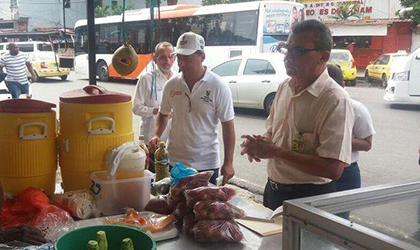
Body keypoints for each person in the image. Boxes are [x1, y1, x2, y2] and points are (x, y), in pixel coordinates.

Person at [240, 20, 354, 210]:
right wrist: (259, 144)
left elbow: (333, 169)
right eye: (287, 50)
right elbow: (272, 133)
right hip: (274, 190)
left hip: (310, 198)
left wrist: (275, 151)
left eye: (298, 51)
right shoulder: (285, 86)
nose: (288, 58)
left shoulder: (334, 100)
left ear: (322, 57)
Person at [149, 32, 236, 185]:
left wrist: (228, 162)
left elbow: (228, 124)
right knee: (175, 204)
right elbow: (163, 114)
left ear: (202, 56)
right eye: (180, 57)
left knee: (203, 207)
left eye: (187, 58)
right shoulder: (171, 85)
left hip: (206, 163)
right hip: (175, 161)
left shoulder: (218, 86)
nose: (181, 63)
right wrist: (156, 134)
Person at [327, 64, 375, 193]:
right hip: (316, 170)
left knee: (339, 213)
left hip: (346, 173)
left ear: (342, 85)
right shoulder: (313, 106)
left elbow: (367, 144)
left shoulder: (356, 108)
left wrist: (331, 141)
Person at [132, 42, 175, 169]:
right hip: (152, 139)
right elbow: (136, 108)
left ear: (175, 58)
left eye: (170, 56)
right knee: (154, 176)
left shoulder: (177, 79)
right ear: (155, 58)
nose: (167, 60)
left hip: (172, 141)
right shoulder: (146, 79)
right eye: (162, 57)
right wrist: (156, 111)